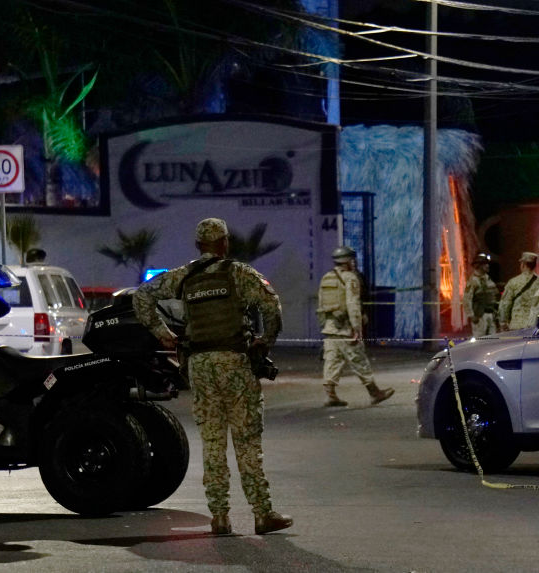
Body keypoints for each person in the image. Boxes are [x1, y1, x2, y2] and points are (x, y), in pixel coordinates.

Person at [133, 218, 292, 536]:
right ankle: (262, 514)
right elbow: (272, 305)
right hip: (235, 363)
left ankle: (219, 517)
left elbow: (141, 297)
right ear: (224, 243)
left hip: (201, 367)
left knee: (213, 443)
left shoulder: (183, 276)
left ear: (198, 246)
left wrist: (164, 336)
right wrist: (264, 341)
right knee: (246, 442)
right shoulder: (239, 273)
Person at [316, 246, 395, 408]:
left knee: (332, 361)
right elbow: (353, 305)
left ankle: (330, 395)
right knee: (359, 359)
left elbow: (320, 305)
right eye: (352, 260)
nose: (354, 263)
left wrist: (324, 325)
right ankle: (374, 393)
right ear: (347, 261)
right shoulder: (350, 278)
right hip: (346, 328)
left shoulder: (326, 278)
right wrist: (356, 328)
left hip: (331, 328)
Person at [498, 251, 539, 331]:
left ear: (523, 265)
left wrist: (503, 322)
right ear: (534, 265)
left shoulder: (513, 282)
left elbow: (505, 304)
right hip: (535, 325)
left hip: (517, 325)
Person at [462, 252, 500, 336]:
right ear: (479, 266)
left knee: (492, 340)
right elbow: (466, 299)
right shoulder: (473, 281)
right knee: (480, 341)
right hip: (480, 316)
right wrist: (471, 315)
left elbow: (494, 294)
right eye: (485, 264)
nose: (487, 266)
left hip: (491, 314)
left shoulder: (487, 279)